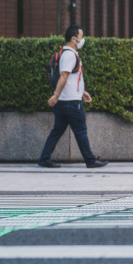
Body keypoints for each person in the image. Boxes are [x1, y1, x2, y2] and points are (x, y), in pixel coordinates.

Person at [39, 25, 108, 169]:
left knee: (57, 130)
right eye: (81, 36)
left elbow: (70, 78)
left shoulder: (67, 54)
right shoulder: (69, 55)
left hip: (66, 101)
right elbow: (64, 76)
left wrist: (81, 92)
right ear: (73, 38)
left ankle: (44, 159)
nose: (82, 39)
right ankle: (90, 160)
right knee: (80, 130)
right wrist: (56, 96)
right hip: (70, 102)